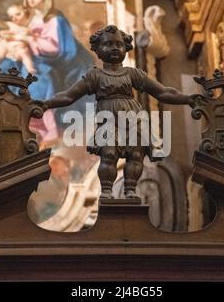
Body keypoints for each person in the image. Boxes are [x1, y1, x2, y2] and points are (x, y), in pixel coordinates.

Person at [38, 25, 196, 199]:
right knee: (109, 154)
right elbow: (69, 96)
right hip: (109, 119)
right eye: (108, 44)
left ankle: (130, 190)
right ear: (98, 49)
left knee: (136, 154)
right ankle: (106, 191)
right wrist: (45, 104)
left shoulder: (133, 74)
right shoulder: (95, 76)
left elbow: (163, 92)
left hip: (133, 118)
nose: (114, 48)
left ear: (126, 48)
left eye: (119, 44)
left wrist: (189, 99)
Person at [0, 4, 37, 74]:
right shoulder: (11, 24)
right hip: (6, 46)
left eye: (18, 14)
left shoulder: (29, 28)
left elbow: (32, 39)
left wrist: (15, 37)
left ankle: (30, 69)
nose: (15, 18)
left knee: (24, 53)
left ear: (25, 10)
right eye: (12, 17)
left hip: (18, 49)